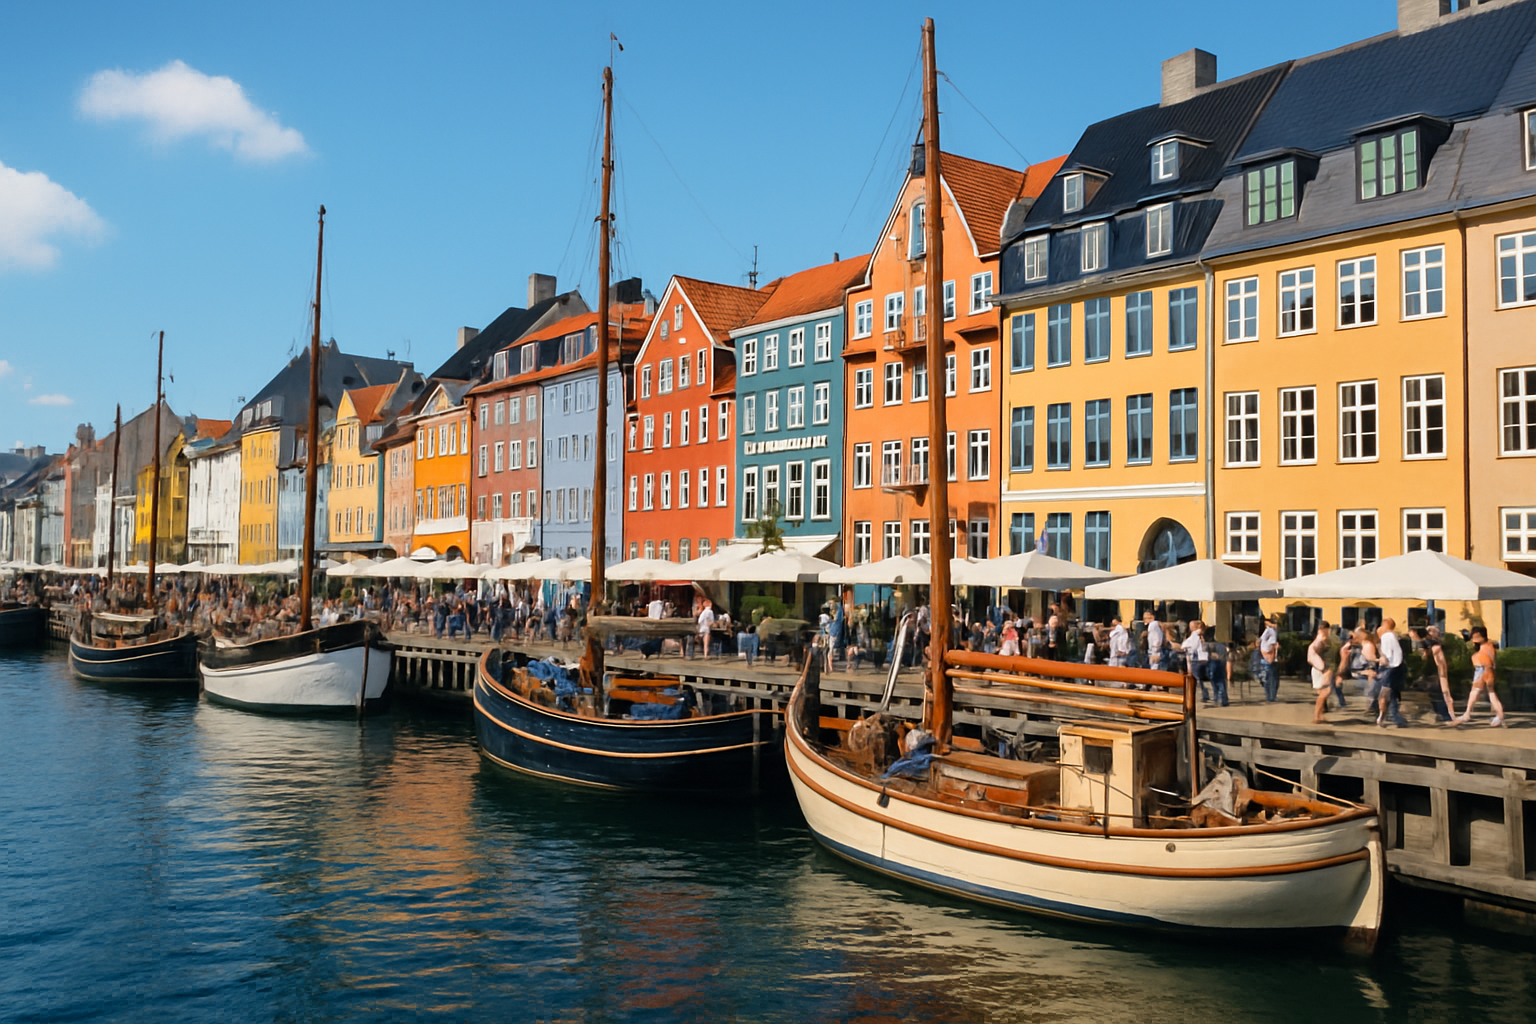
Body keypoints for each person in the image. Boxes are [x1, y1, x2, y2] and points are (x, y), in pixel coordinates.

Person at [1450, 626, 1505, 727]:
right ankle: (1499, 715)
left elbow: (1486, 661)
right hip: (1486, 670)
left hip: (1484, 669)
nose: (1473, 639)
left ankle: (1467, 714)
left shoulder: (1486, 647)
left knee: (1478, 692)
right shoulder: (1489, 645)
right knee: (1489, 693)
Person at [1414, 625, 1454, 722]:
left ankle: (1449, 715)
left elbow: (1441, 662)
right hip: (1433, 673)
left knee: (1444, 693)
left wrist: (1443, 673)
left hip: (1437, 673)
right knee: (1438, 694)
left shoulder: (1436, 647)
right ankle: (1445, 715)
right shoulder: (1432, 647)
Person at [1376, 618, 1407, 727]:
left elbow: (1388, 655)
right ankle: (1395, 717)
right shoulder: (1393, 636)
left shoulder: (1387, 636)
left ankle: (1382, 717)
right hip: (1395, 666)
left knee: (1385, 693)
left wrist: (1383, 661)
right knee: (1392, 693)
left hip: (1389, 667)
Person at [1309, 622, 1332, 724]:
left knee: (1323, 693)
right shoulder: (1321, 637)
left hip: (1318, 667)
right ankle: (1316, 716)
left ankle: (1320, 715)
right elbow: (1316, 648)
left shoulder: (1320, 637)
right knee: (1323, 693)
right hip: (1320, 668)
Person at [1257, 615, 1280, 702]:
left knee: (1268, 678)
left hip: (1265, 657)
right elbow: (1273, 646)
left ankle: (1269, 696)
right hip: (1269, 658)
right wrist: (1273, 657)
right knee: (1272, 679)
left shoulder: (1268, 631)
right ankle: (1271, 697)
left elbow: (1261, 641)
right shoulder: (1272, 631)